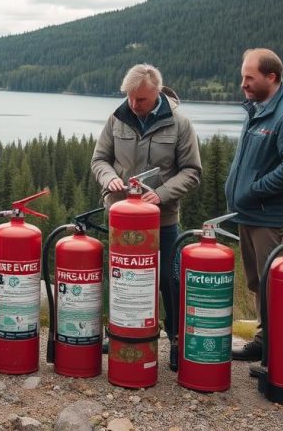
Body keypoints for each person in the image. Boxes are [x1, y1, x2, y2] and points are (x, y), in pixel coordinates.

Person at [91, 63, 202, 360]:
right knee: (120, 276)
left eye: (140, 99)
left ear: (156, 94)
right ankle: (118, 331)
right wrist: (108, 178)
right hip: (121, 216)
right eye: (129, 97)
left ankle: (177, 339)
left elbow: (192, 171)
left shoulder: (179, 124)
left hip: (162, 218)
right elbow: (99, 159)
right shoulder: (116, 119)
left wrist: (162, 194)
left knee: (169, 278)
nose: (133, 104)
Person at [225, 48, 283, 361]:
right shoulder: (259, 109)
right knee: (258, 281)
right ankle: (264, 342)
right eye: (242, 77)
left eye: (250, 77)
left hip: (271, 217)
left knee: (272, 283)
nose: (243, 84)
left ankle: (277, 351)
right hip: (249, 214)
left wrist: (256, 190)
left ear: (271, 77)